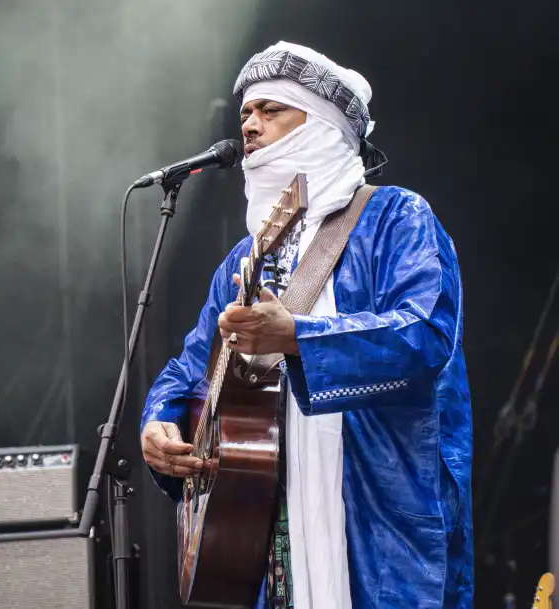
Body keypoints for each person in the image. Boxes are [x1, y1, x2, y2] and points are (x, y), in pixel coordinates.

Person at [140, 41, 473, 608]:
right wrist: (160, 421)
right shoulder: (244, 261)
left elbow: (425, 337)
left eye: (272, 109)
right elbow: (190, 369)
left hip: (376, 512)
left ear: (320, 126)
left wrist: (296, 336)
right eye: (245, 111)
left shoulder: (395, 217)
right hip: (271, 522)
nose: (249, 122)